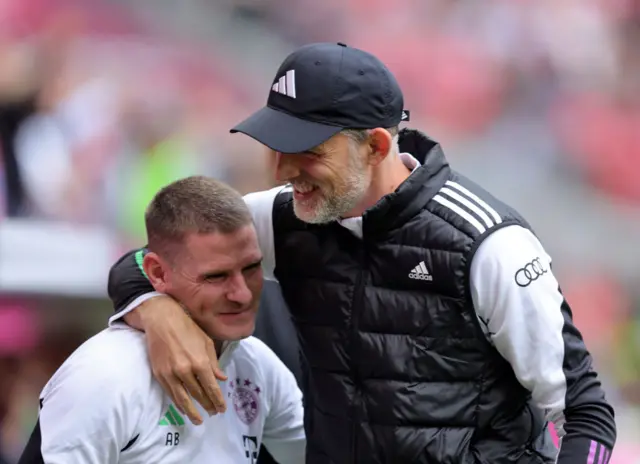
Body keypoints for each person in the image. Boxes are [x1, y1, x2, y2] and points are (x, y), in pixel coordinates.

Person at [105, 42, 616, 463]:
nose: (282, 171)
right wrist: (155, 311)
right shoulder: (284, 217)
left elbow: (587, 415)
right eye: (275, 146)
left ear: (374, 146)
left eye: (308, 151)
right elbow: (144, 265)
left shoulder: (487, 244)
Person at [17, 176, 305, 464]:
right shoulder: (103, 377)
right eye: (216, 276)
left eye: (252, 267)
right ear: (156, 273)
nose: (242, 294)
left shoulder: (259, 366)